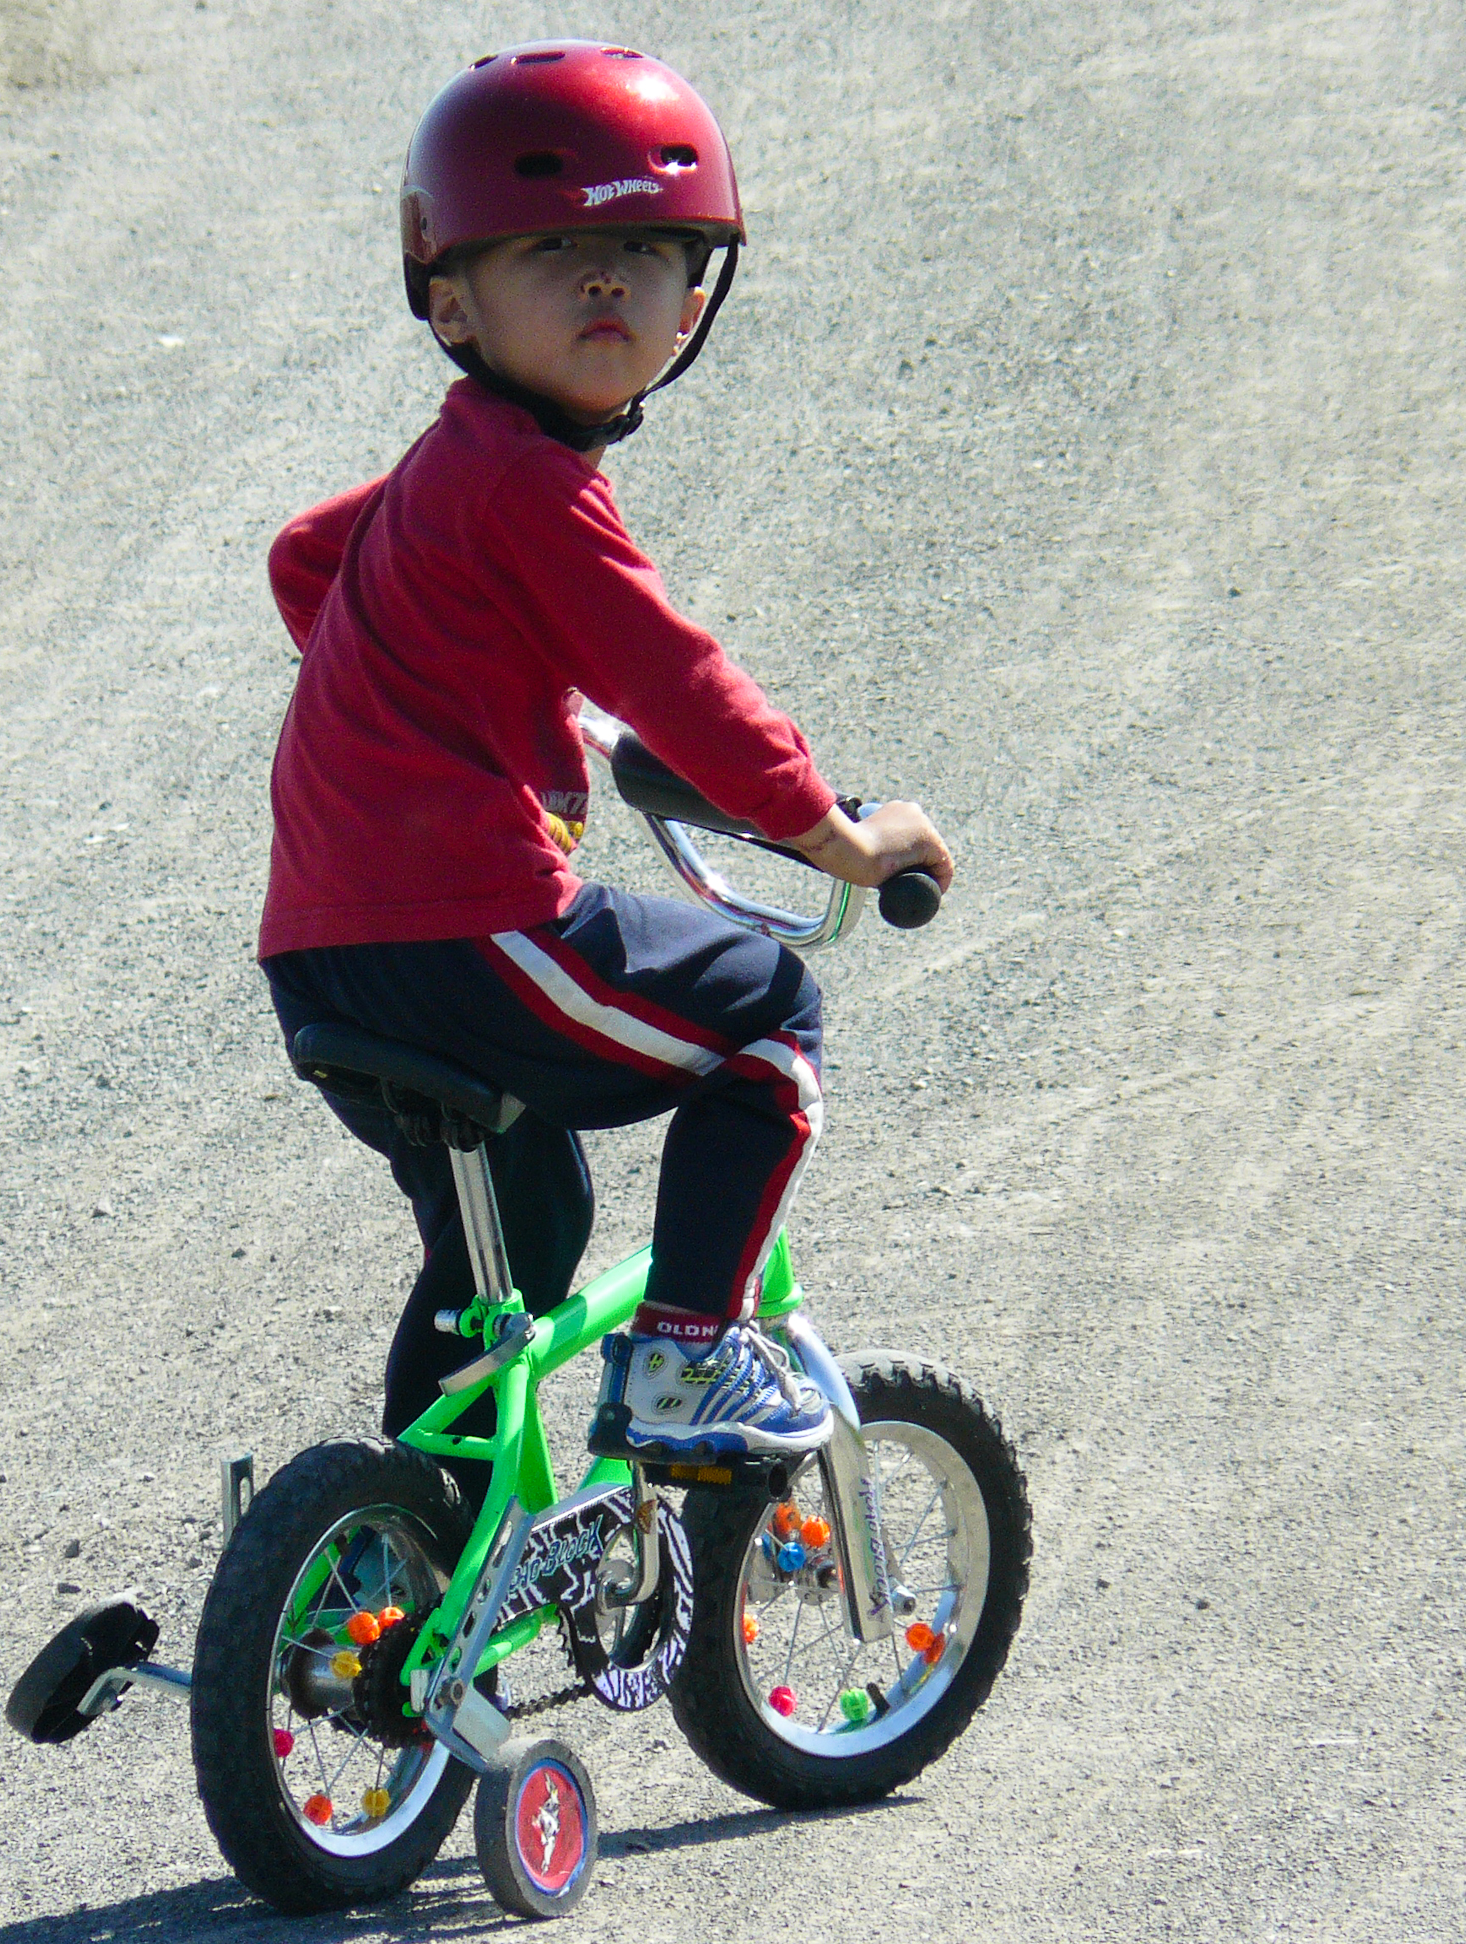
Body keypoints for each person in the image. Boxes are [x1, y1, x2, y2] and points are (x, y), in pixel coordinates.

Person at [257, 41, 953, 1480]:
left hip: (325, 959)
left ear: (695, 299)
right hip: (474, 930)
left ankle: (410, 1575)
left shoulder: (449, 476)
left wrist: (488, 704)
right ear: (451, 303)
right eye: (554, 252)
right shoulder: (528, 480)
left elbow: (308, 561)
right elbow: (674, 675)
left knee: (518, 1232)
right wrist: (834, 834)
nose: (604, 283)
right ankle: (689, 1364)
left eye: (644, 252)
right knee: (768, 1015)